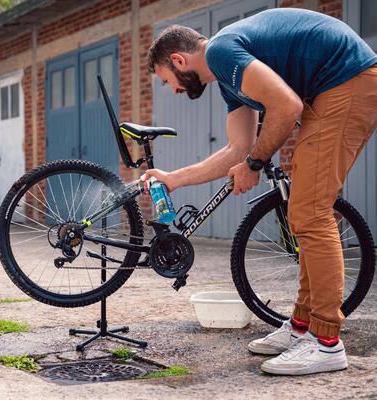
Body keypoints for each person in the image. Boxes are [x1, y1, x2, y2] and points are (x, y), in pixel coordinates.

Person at [143, 8, 377, 376]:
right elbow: (237, 150)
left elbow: (286, 107)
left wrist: (254, 164)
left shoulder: (221, 52)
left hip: (347, 81)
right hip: (331, 88)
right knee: (305, 211)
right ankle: (303, 327)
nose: (173, 89)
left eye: (167, 80)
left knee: (310, 212)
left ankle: (327, 343)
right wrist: (174, 179)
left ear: (178, 59)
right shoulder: (228, 79)